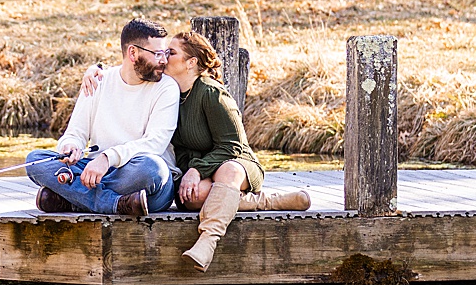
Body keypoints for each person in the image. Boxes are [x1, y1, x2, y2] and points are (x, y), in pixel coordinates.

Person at [81, 31, 310, 269]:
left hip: (236, 165)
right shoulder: (168, 93)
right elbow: (132, 64)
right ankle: (266, 202)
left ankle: (207, 241)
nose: (163, 57)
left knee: (227, 172)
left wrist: (196, 170)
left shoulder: (211, 94)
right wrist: (96, 69)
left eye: (171, 53)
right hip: (201, 172)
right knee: (192, 198)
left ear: (191, 63)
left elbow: (233, 146)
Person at [24, 19, 180, 218]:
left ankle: (74, 199)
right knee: (34, 161)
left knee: (153, 168)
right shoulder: (98, 81)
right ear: (133, 53)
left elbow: (155, 144)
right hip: (98, 173)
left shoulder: (166, 88)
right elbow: (75, 133)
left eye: (165, 53)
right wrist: (70, 147)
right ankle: (114, 204)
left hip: (142, 180)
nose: (164, 60)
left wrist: (108, 158)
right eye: (157, 54)